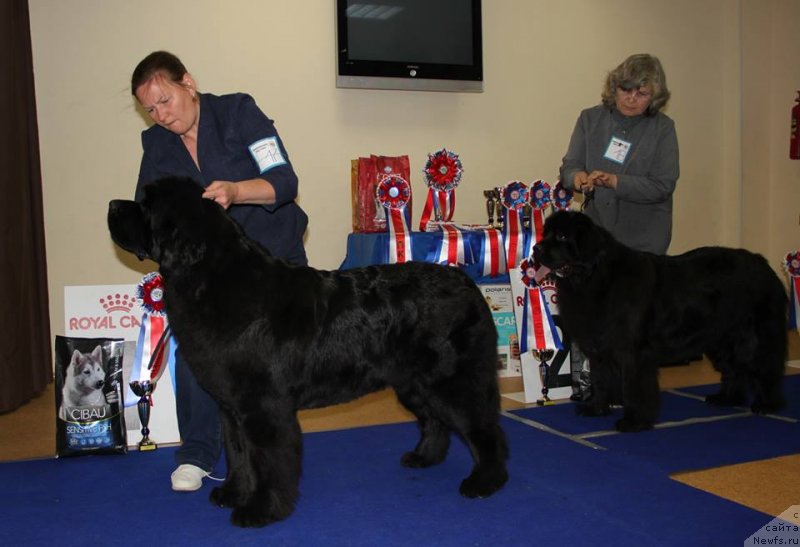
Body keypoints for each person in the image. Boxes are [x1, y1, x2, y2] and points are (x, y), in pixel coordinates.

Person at [130, 51, 308, 492]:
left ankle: (266, 457)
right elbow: (146, 214)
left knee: (268, 374)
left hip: (272, 262)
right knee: (199, 357)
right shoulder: (155, 145)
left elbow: (283, 182)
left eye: (165, 100)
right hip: (209, 275)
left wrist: (235, 190)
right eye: (150, 109)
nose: (161, 115)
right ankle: (197, 452)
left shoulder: (238, 112)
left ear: (187, 83)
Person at [559, 53, 679, 255]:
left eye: (641, 94)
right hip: (596, 237)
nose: (631, 99)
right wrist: (576, 178)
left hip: (644, 242)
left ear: (655, 97)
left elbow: (663, 185)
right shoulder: (589, 119)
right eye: (625, 90)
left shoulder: (663, 128)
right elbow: (570, 167)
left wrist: (615, 181)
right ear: (614, 88)